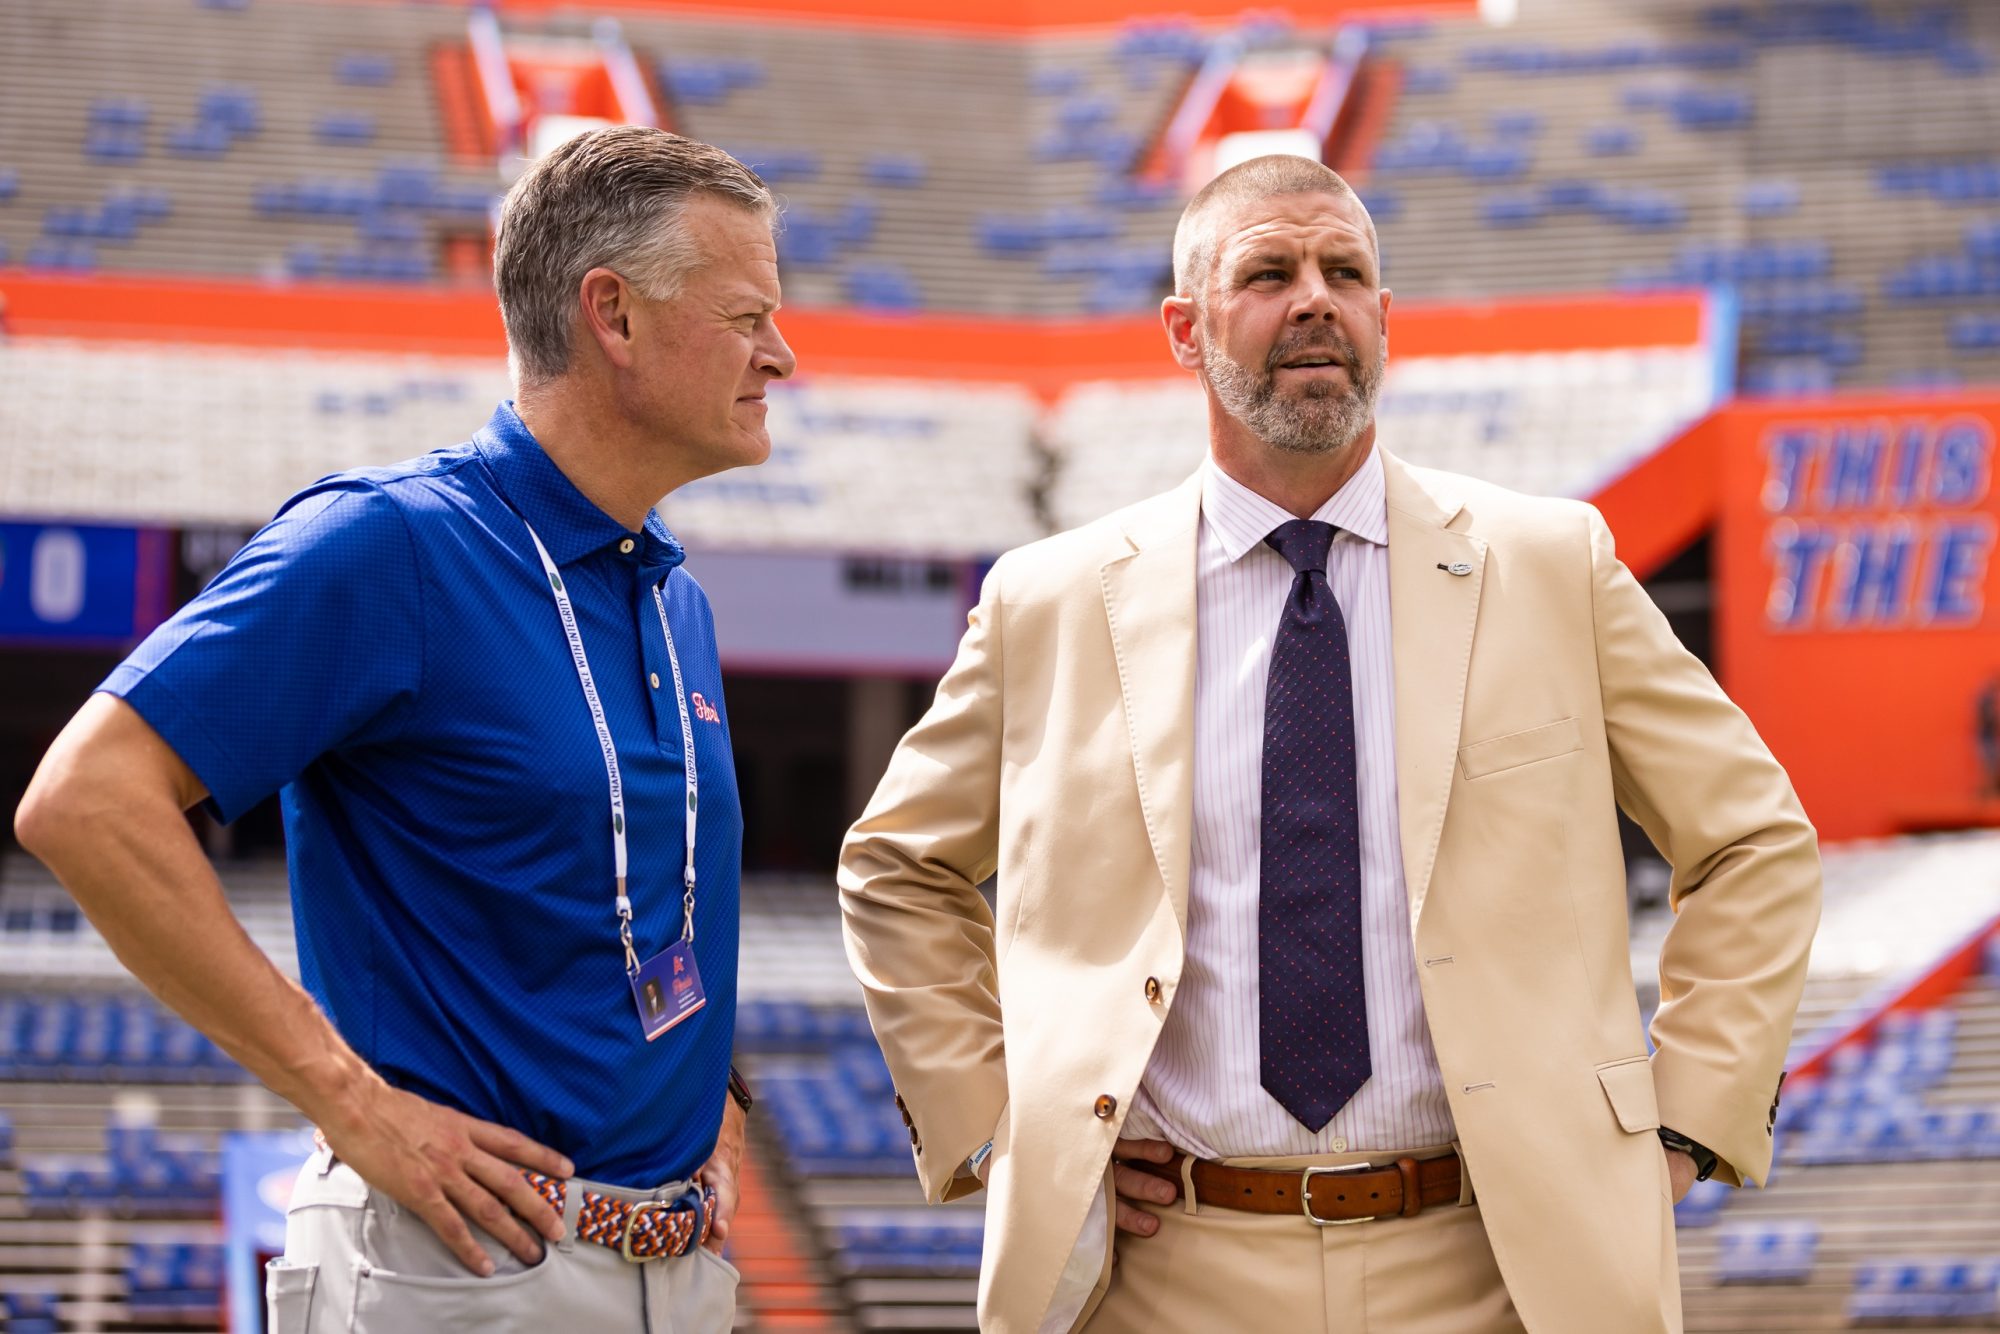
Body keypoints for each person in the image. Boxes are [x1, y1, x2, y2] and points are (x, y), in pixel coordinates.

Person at [836, 155, 1821, 1334]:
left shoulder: (1552, 563)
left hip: (1502, 1268)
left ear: (1382, 319)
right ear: (1183, 330)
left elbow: (1753, 837)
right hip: (1159, 1276)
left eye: (1343, 271)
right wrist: (1000, 1131)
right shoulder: (1048, 599)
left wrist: (1679, 1122)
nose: (1315, 298)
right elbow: (896, 865)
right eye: (1266, 272)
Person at [14, 126, 793, 1332]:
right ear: (614, 316)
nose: (780, 356)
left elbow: (639, 890)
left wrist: (719, 1094)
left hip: (675, 1269)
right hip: (460, 1274)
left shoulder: (667, 589)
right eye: (747, 316)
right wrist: (346, 1097)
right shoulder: (392, 544)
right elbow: (85, 799)